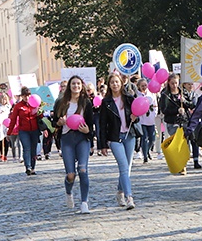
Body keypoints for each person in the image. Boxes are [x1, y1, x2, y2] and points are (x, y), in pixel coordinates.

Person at [53, 76, 94, 214]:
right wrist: (59, 122)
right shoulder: (61, 102)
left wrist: (88, 132)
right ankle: (68, 192)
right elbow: (54, 122)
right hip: (67, 139)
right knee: (71, 175)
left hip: (82, 138)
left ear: (81, 86)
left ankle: (84, 203)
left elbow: (91, 123)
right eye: (73, 84)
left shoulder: (86, 103)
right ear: (69, 86)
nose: (76, 86)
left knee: (83, 170)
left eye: (78, 84)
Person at [99, 73, 139, 210]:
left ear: (121, 83)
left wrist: (135, 117)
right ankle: (129, 197)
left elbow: (137, 115)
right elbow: (102, 125)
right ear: (109, 85)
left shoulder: (129, 98)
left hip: (129, 135)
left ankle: (120, 192)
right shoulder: (106, 102)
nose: (115, 84)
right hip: (115, 137)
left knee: (127, 168)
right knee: (123, 167)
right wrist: (102, 145)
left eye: (117, 82)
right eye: (112, 83)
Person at [8, 87, 42, 175]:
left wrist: (40, 111)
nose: (27, 98)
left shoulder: (35, 103)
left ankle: (33, 167)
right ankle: (28, 167)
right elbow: (13, 119)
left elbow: (41, 117)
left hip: (35, 130)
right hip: (23, 131)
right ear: (22, 96)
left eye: (28, 95)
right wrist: (9, 132)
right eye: (24, 96)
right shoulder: (18, 106)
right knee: (26, 148)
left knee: (33, 149)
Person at [182, 81, 202, 169]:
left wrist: (185, 102)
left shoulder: (194, 94)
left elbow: (194, 104)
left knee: (194, 140)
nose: (190, 86)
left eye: (191, 84)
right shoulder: (181, 94)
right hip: (185, 119)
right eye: (188, 84)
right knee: (185, 141)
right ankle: (184, 161)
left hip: (193, 119)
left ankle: (196, 160)